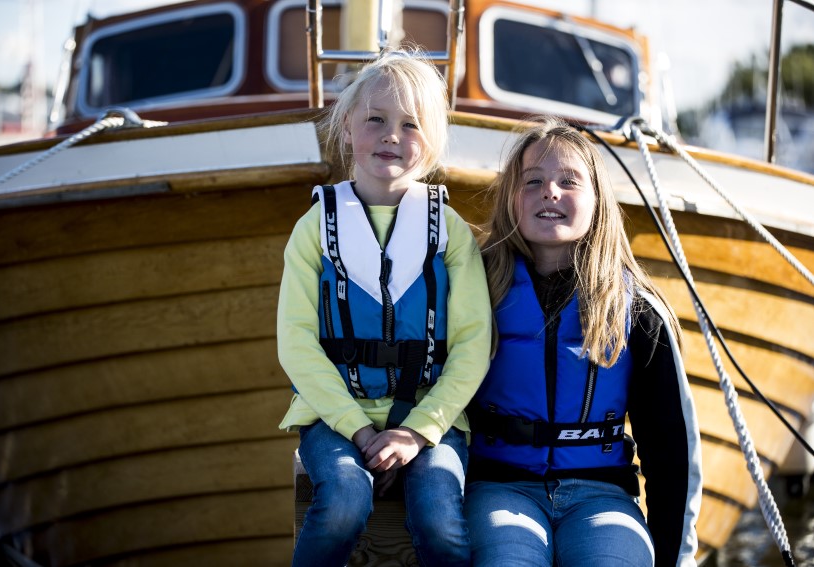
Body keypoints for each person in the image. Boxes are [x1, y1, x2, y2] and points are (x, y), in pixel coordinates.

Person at [277, 48, 492, 567]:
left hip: (431, 415)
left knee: (441, 520)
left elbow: (473, 343)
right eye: (376, 119)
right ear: (347, 126)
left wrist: (418, 430)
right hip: (334, 416)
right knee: (343, 501)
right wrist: (358, 428)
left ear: (433, 142)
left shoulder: (450, 232)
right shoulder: (314, 228)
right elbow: (296, 341)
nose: (392, 136)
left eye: (411, 125)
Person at [464, 116, 702, 567]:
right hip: (499, 489)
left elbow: (670, 448)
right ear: (511, 198)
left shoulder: (638, 310)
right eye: (533, 181)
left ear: (598, 201)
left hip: (601, 497)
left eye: (569, 181)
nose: (550, 192)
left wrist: (676, 557)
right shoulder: (474, 290)